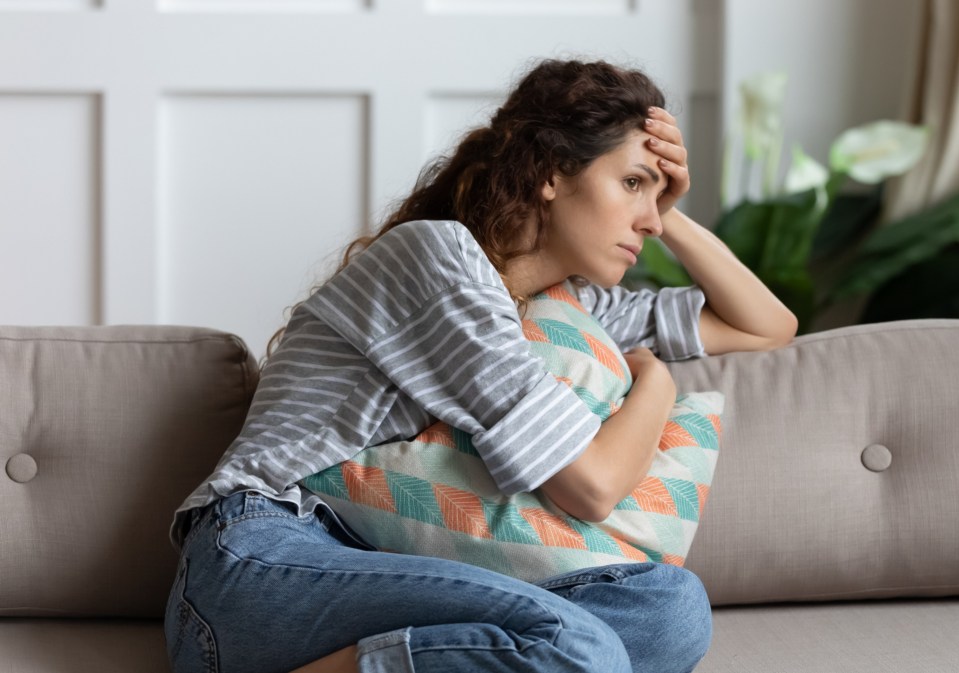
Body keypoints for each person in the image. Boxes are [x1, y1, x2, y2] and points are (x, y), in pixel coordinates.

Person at [165, 58, 798, 673]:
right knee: (581, 647)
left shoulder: (566, 308)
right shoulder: (438, 259)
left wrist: (671, 209)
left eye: (657, 198)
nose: (648, 220)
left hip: (392, 566)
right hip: (266, 557)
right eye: (632, 183)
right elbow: (594, 486)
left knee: (669, 610)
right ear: (553, 172)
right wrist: (657, 383)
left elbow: (767, 326)